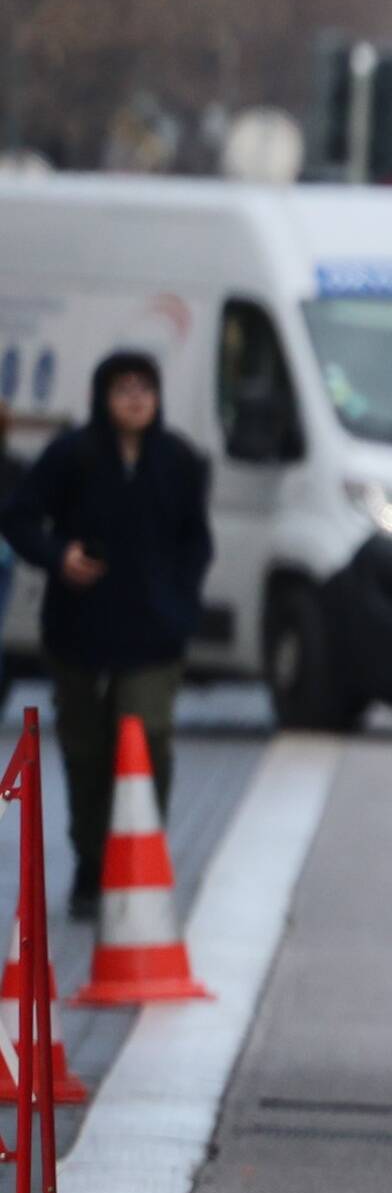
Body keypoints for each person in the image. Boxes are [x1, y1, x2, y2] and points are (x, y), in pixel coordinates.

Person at [0, 351, 213, 901]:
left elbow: (196, 538)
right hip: (79, 631)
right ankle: (91, 860)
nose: (136, 399)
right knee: (85, 751)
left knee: (147, 739)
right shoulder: (72, 455)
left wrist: (182, 601)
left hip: (153, 634)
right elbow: (19, 517)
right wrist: (58, 556)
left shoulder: (177, 459)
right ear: (103, 396)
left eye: (146, 387)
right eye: (124, 388)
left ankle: (139, 855)